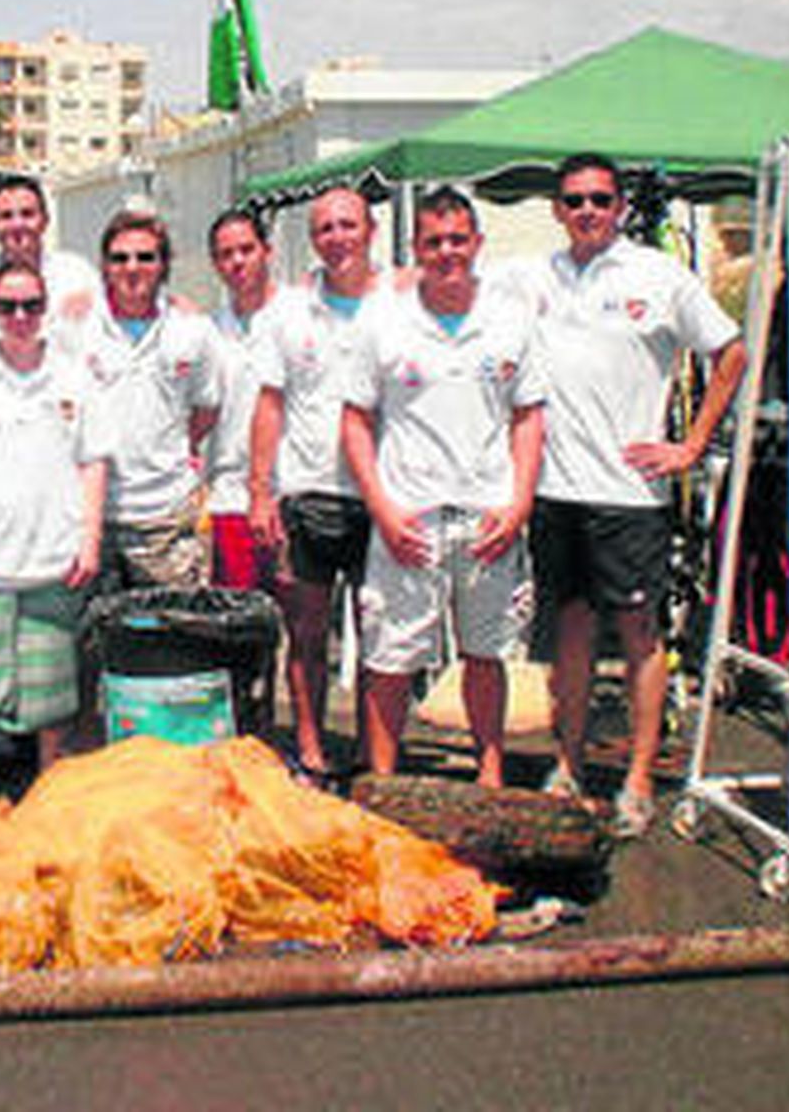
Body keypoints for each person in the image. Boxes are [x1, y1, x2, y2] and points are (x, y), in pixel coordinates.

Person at [521, 152, 746, 836]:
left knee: (642, 635)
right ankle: (568, 762)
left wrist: (692, 445)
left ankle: (640, 777)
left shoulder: (660, 274)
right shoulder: (536, 275)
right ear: (558, 209)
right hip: (556, 490)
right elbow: (439, 280)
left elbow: (732, 353)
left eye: (598, 198)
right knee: (572, 630)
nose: (586, 210)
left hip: (632, 496)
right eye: (573, 199)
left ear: (619, 206)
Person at [342, 187, 545, 787]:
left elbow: (529, 417)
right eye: (434, 242)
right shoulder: (384, 321)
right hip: (409, 519)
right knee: (390, 660)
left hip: (488, 518)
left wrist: (519, 504)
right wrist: (381, 508)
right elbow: (354, 419)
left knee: (485, 654)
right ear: (416, 249)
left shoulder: (510, 319)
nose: (447, 253)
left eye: (459, 240)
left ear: (477, 243)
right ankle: (382, 780)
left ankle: (490, 774)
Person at [0, 259, 109, 815]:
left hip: (53, 557)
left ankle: (46, 785)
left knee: (51, 690)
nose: (19, 316)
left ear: (45, 308)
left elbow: (93, 463)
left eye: (30, 305)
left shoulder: (73, 373)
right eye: (8, 306)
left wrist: (90, 539)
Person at [249, 186, 391, 787]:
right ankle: (309, 745)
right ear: (313, 239)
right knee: (306, 635)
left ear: (370, 231)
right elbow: (269, 404)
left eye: (347, 225)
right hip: (308, 493)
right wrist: (261, 491)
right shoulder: (286, 312)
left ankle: (371, 754)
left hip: (386, 496)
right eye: (325, 228)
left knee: (381, 637)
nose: (338, 238)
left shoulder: (401, 304)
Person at [78, 209, 220, 591]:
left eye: (145, 257)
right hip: (93, 521)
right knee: (97, 645)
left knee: (174, 645)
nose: (132, 268)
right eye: (120, 258)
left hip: (167, 521)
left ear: (163, 265)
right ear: (104, 266)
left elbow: (206, 409)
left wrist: (172, 449)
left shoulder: (193, 330)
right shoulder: (76, 328)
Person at [205, 208, 279, 592]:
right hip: (230, 500)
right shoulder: (208, 332)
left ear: (267, 250)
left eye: (245, 250)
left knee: (303, 631)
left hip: (292, 497)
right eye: (225, 254)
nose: (237, 262)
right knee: (237, 633)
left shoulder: (298, 315)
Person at [0, 173, 101, 340]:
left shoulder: (79, 278)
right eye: (6, 216)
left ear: (45, 220)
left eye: (27, 214)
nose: (17, 224)